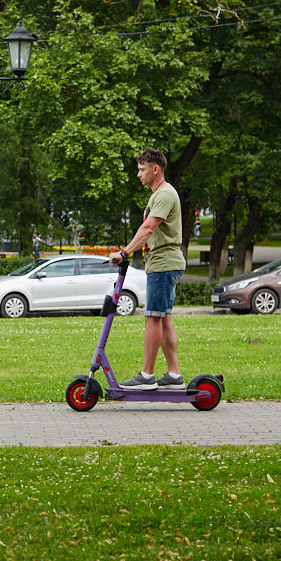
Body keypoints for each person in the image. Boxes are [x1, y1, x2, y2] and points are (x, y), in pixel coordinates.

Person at [109, 148, 188, 390]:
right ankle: (174, 375)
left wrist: (125, 252)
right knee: (163, 318)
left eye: (142, 169)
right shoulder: (159, 195)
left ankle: (147, 375)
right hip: (163, 263)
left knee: (153, 317)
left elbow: (149, 228)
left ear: (156, 169)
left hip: (164, 264)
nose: (138, 174)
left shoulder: (164, 194)